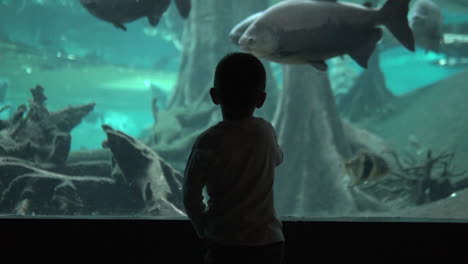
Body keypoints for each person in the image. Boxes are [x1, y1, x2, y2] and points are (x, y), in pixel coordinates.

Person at [183, 52, 285, 264]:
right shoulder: (265, 132)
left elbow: (190, 194)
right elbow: (278, 159)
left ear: (214, 96)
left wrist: (203, 227)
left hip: (224, 243)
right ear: (261, 99)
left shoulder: (208, 140)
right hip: (268, 242)